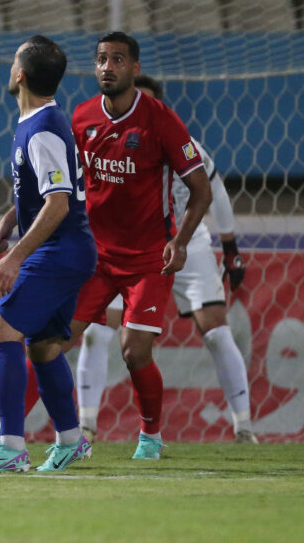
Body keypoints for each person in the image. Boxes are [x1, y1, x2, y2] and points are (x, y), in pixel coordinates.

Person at [0, 32, 212, 462]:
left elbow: (201, 189)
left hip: (146, 257)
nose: (107, 67)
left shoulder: (159, 120)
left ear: (135, 68)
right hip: (96, 254)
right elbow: (57, 181)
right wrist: (11, 217)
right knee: (51, 343)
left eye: (118, 59)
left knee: (133, 350)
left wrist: (180, 241)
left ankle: (149, 435)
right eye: (101, 59)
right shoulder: (80, 116)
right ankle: (23, 430)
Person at [76, 75, 256, 444]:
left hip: (186, 242)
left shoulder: (183, 144)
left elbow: (214, 191)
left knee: (216, 332)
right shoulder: (106, 141)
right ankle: (86, 426)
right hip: (128, 247)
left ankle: (244, 427)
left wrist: (230, 246)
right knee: (96, 332)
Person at [0, 36, 97, 474]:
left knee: (1, 330)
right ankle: (71, 440)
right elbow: (45, 190)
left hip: (60, 249)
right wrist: (11, 219)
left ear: (20, 75)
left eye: (13, 62)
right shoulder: (40, 121)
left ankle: (11, 448)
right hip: (69, 248)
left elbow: (58, 204)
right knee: (43, 347)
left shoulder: (41, 129)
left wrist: (15, 256)